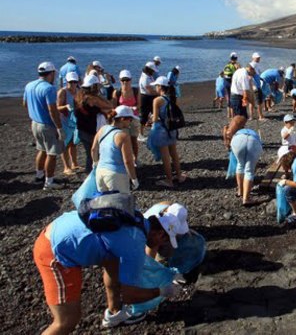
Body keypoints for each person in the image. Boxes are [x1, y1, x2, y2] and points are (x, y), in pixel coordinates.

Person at [33, 207, 183, 333]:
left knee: (113, 259)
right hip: (54, 252)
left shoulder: (135, 217)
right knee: (67, 321)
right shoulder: (134, 244)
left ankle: (114, 312)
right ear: (160, 233)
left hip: (63, 228)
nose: (162, 246)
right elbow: (129, 295)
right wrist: (162, 291)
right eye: (165, 240)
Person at [24, 62, 65, 190]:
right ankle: (49, 181)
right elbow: (52, 110)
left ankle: (39, 176)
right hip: (47, 124)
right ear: (51, 73)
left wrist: (35, 111)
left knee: (41, 149)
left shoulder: (29, 85)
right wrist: (59, 128)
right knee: (51, 153)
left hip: (34, 122)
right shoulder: (49, 88)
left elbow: (24, 104)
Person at [147, 76, 186, 188]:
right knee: (174, 154)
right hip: (172, 128)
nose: (155, 88)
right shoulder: (173, 97)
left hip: (161, 130)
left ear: (160, 87)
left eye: (156, 86)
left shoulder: (157, 100)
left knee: (165, 157)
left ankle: (169, 180)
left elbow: (154, 119)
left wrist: (151, 119)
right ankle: (179, 175)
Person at [91, 106, 140, 193]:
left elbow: (94, 149)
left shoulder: (102, 129)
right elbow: (127, 161)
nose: (130, 122)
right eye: (130, 119)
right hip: (116, 174)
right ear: (122, 119)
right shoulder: (123, 136)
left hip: (100, 172)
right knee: (120, 204)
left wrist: (95, 164)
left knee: (104, 203)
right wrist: (134, 178)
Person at [224, 116, 264, 206]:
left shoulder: (232, 132)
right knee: (249, 170)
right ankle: (246, 199)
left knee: (240, 165)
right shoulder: (252, 132)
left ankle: (240, 191)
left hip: (237, 141)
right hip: (253, 141)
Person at [112, 70, 141, 162]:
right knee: (122, 140)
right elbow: (114, 108)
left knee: (133, 140)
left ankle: (135, 159)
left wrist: (134, 108)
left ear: (131, 80)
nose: (125, 82)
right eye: (123, 80)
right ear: (120, 80)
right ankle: (123, 160)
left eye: (127, 80)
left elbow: (139, 104)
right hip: (121, 120)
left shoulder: (136, 91)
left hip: (133, 118)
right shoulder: (116, 92)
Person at [57, 71, 81, 176]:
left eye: (74, 82)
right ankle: (66, 167)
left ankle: (74, 164)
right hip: (65, 121)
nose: (72, 84)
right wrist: (66, 107)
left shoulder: (78, 91)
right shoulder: (63, 92)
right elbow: (57, 107)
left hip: (74, 121)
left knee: (73, 143)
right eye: (70, 82)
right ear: (67, 81)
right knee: (65, 144)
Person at [138, 62, 158, 142]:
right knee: (144, 116)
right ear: (149, 70)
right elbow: (150, 91)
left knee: (154, 114)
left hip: (149, 97)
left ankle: (155, 132)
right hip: (146, 98)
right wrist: (160, 93)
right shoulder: (145, 78)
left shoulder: (148, 75)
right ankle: (140, 134)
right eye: (153, 70)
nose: (153, 72)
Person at [249, 53, 266, 120]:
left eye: (259, 57)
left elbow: (257, 75)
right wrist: (253, 85)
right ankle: (260, 116)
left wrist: (261, 79)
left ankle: (251, 116)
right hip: (255, 87)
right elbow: (250, 76)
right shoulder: (253, 65)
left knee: (252, 101)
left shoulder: (256, 65)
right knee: (259, 102)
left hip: (254, 86)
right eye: (257, 58)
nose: (258, 59)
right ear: (253, 58)